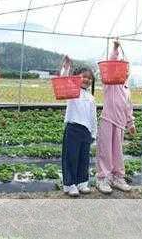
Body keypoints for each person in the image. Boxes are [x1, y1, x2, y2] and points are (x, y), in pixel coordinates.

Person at [96, 39, 136, 194]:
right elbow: (112, 62)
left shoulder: (126, 89)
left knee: (117, 151)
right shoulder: (110, 83)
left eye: (127, 69)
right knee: (105, 150)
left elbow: (128, 108)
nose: (124, 72)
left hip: (120, 124)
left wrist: (131, 123)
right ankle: (103, 178)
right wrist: (115, 48)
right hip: (107, 119)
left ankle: (117, 177)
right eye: (121, 68)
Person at [61, 56, 97, 196]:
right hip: (73, 129)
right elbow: (63, 81)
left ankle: (82, 183)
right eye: (84, 77)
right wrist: (67, 67)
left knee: (84, 158)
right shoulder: (72, 90)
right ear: (77, 78)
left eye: (89, 78)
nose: (87, 80)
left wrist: (93, 133)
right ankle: (70, 185)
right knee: (71, 157)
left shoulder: (91, 98)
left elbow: (93, 117)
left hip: (86, 131)